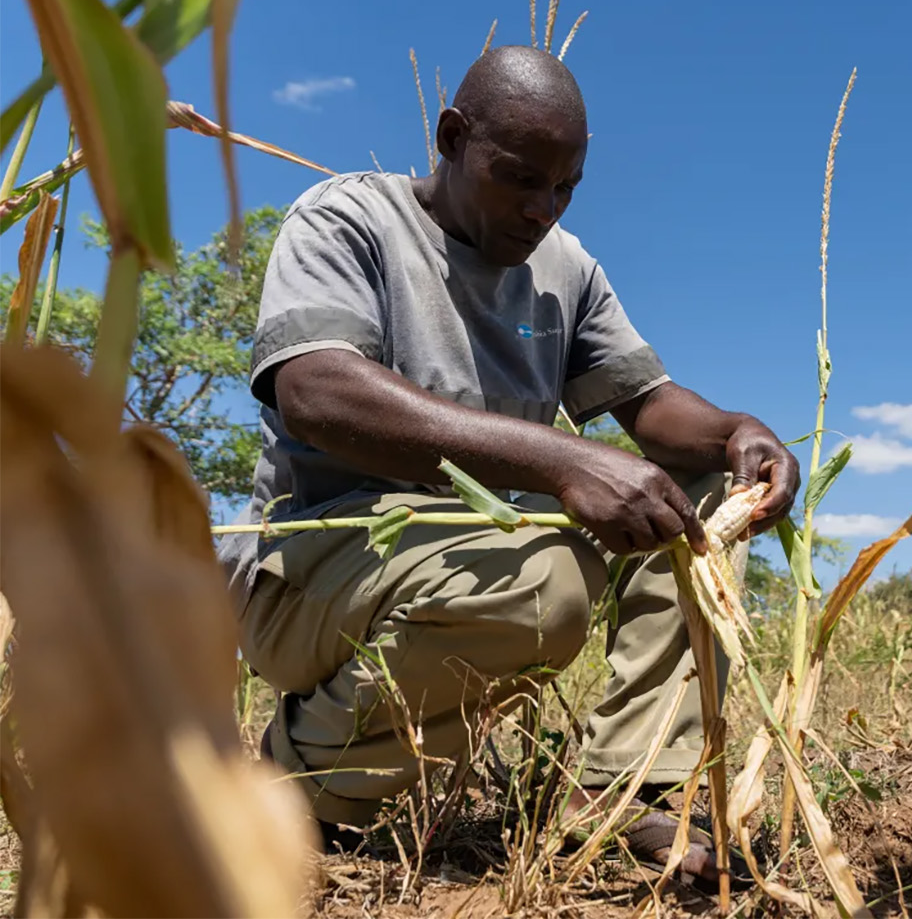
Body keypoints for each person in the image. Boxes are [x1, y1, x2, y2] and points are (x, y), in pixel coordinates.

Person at [217, 46, 799, 884]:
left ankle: (621, 791)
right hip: (308, 575)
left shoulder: (566, 270)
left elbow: (651, 407)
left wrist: (737, 431)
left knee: (707, 494)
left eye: (565, 188)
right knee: (545, 585)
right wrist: (563, 457)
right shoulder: (348, 219)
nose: (543, 209)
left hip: (482, 562)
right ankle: (302, 785)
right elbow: (315, 389)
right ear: (453, 137)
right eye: (520, 178)